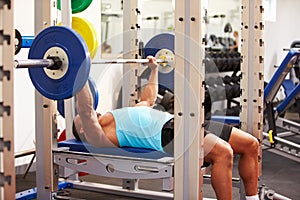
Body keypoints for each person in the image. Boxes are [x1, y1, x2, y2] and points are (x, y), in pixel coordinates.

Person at [73, 56, 260, 200]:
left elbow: (148, 99)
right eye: (79, 120)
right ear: (83, 130)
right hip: (166, 134)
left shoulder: (121, 114)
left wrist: (154, 70)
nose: (89, 116)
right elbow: (86, 110)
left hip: (182, 121)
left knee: (251, 144)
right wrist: (78, 77)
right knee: (223, 153)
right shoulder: (98, 136)